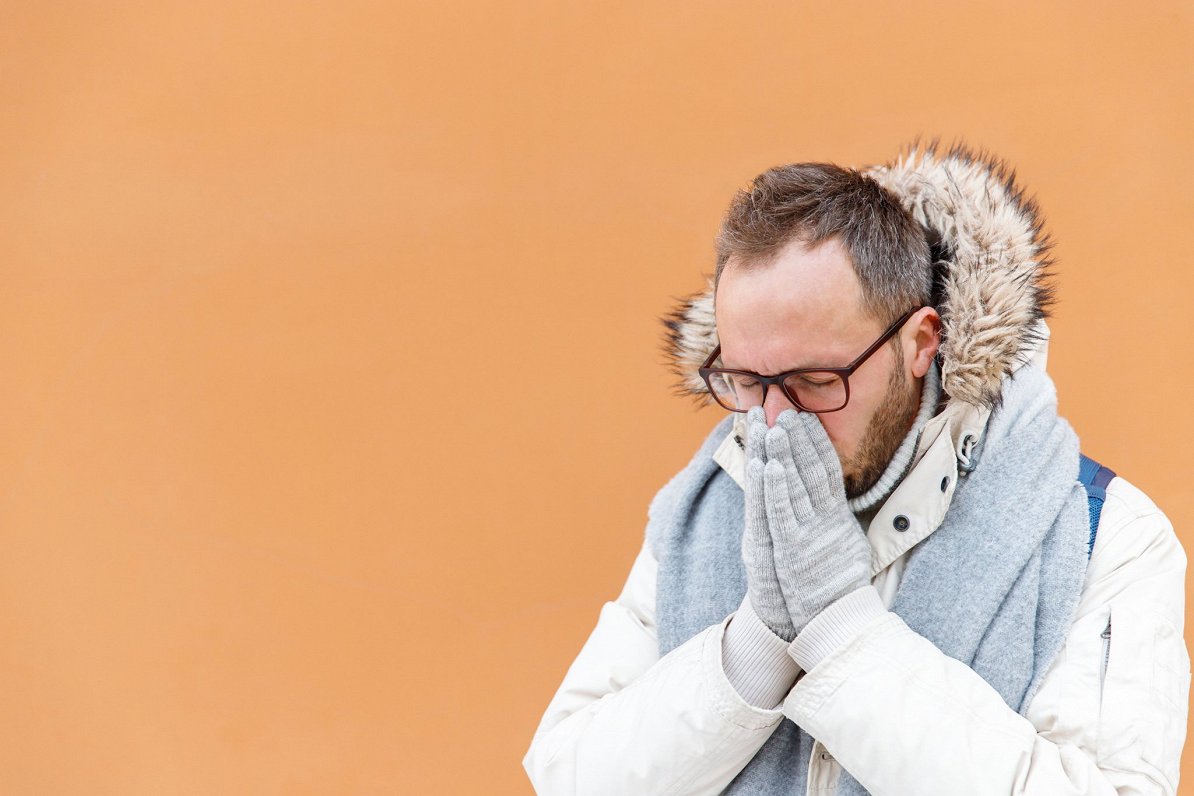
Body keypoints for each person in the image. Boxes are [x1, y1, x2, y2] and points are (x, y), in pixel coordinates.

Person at [522, 143, 1190, 795]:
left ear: (920, 342)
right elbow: (567, 775)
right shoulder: (705, 508)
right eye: (745, 381)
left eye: (814, 381)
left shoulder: (1106, 535)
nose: (774, 424)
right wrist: (754, 645)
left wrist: (842, 631)